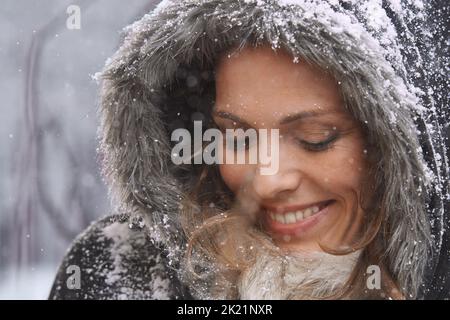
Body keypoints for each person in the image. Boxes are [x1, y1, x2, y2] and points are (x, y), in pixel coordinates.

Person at [49, 0, 449, 299]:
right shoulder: (122, 274)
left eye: (315, 137)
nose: (268, 180)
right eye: (238, 138)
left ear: (401, 149)